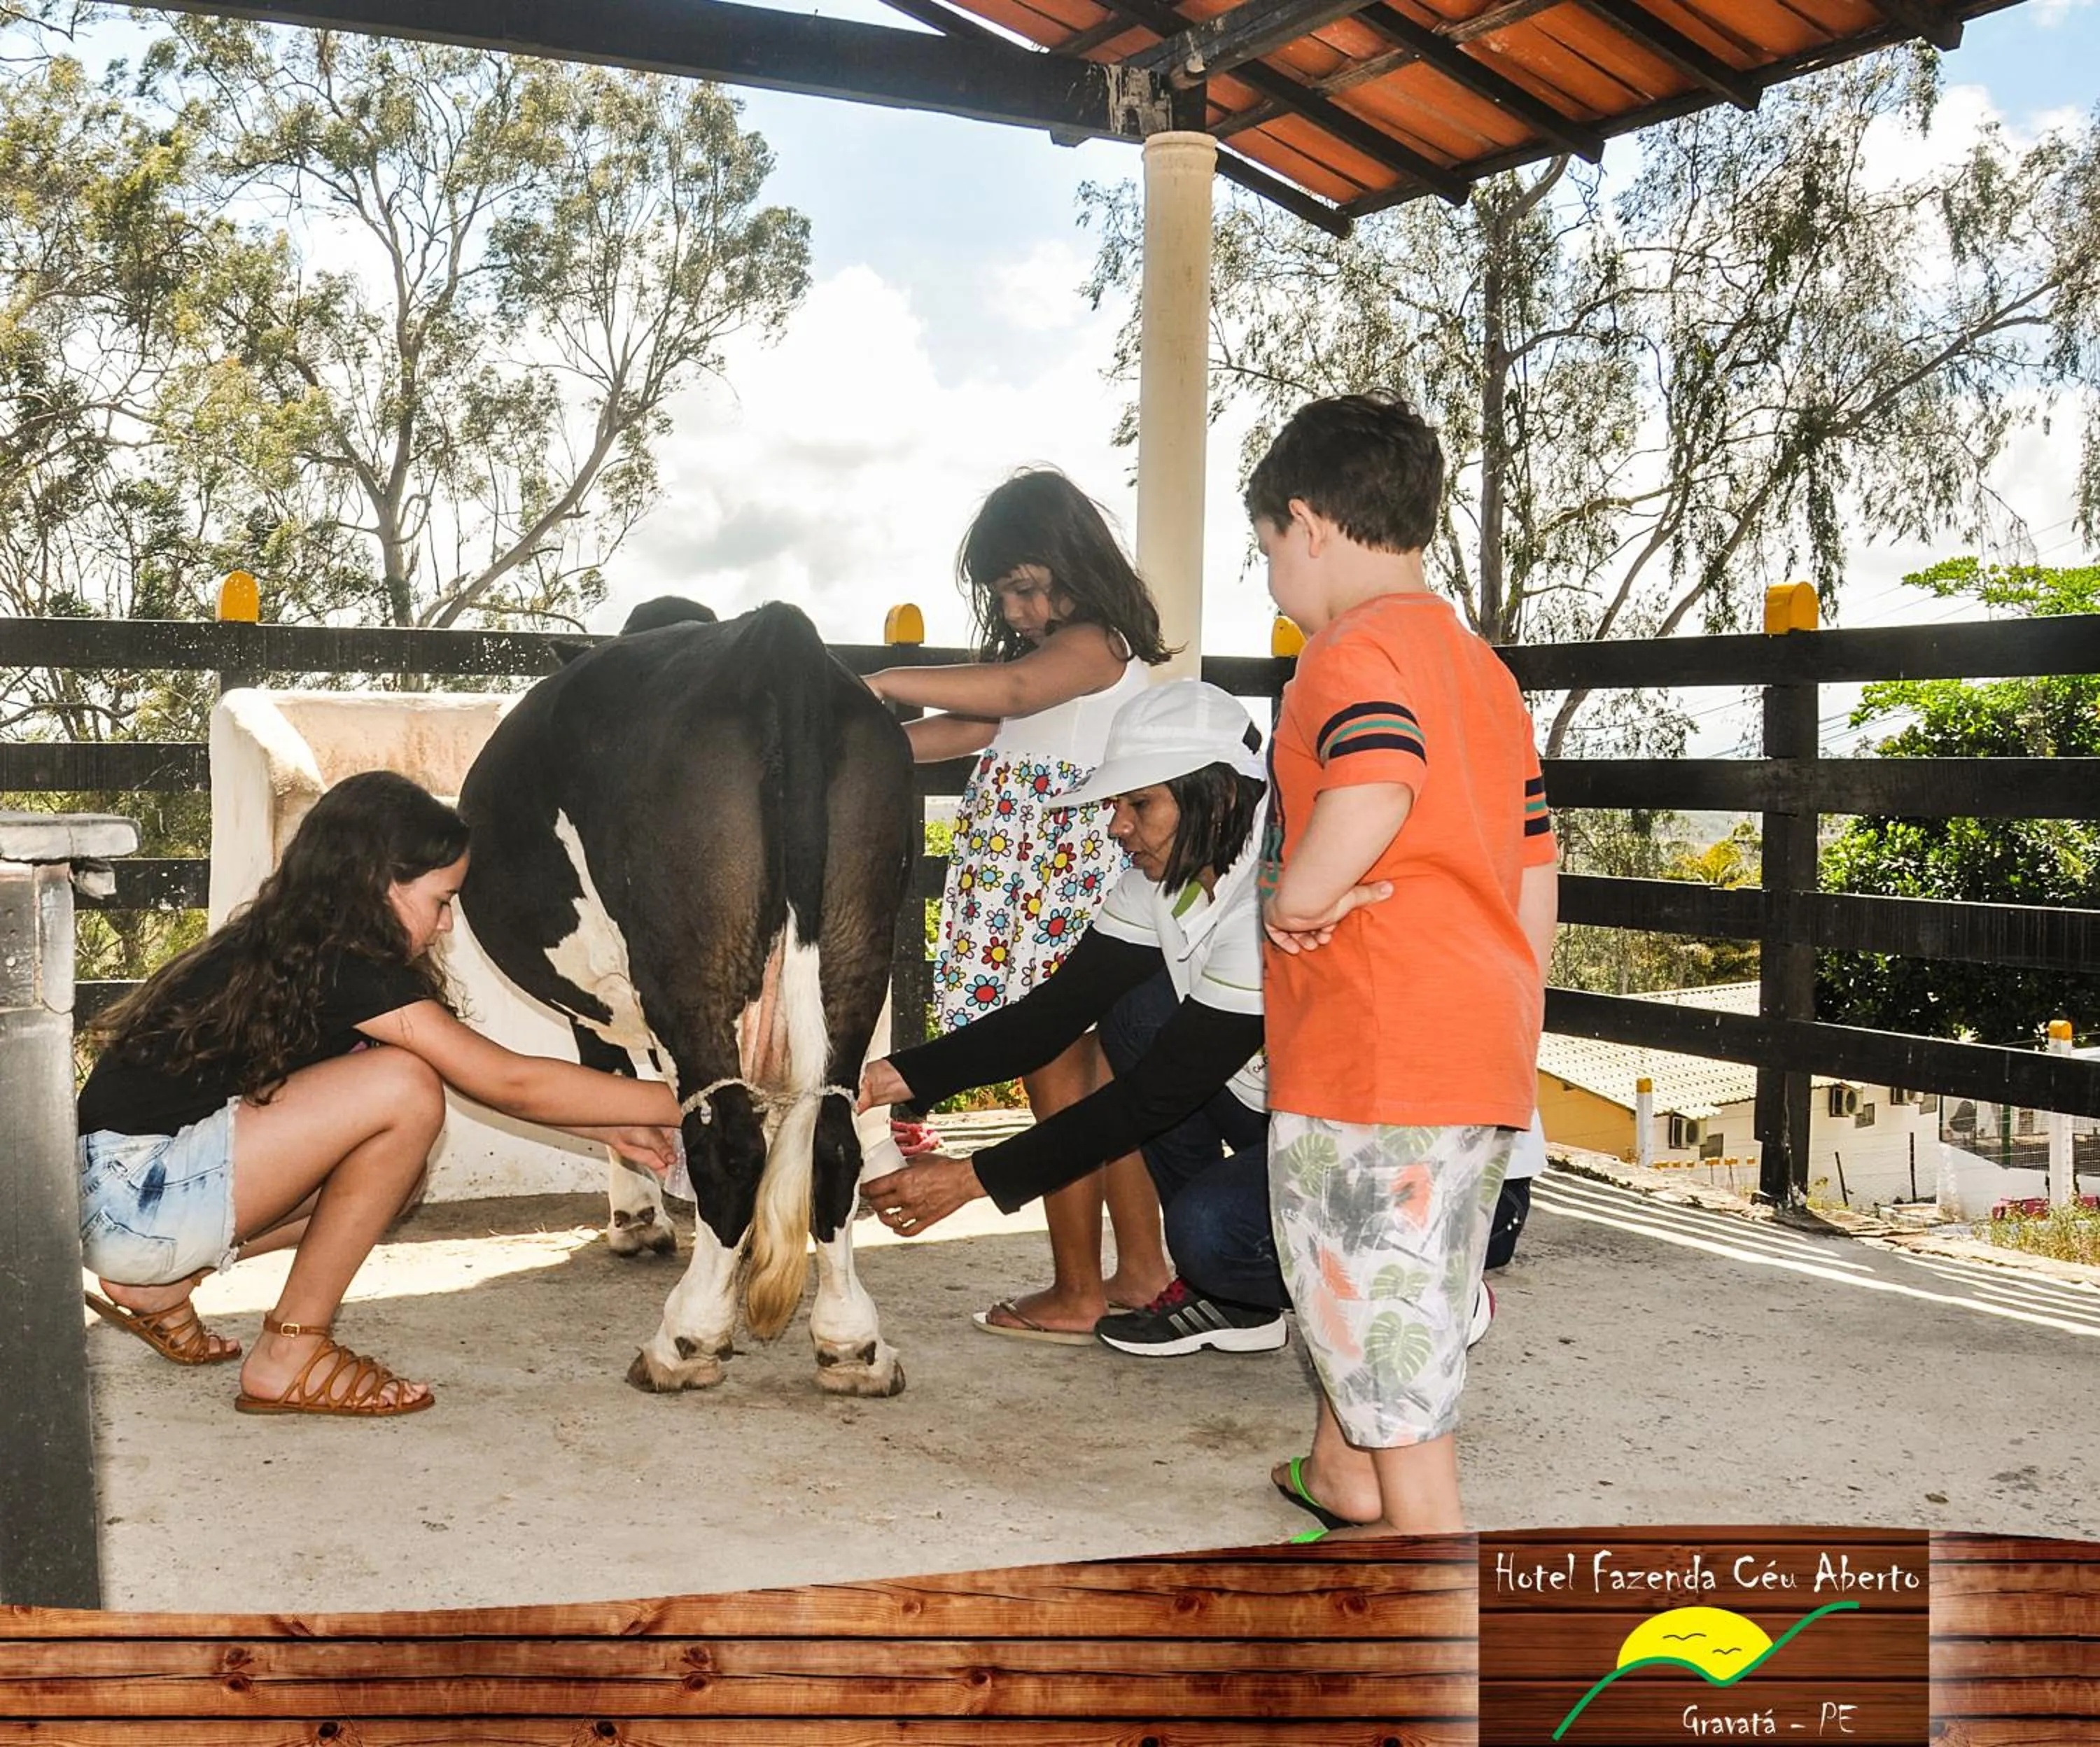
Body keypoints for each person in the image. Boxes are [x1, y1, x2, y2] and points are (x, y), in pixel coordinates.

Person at [75, 770, 682, 1419]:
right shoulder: (346, 968)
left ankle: (166, 1285)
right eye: (442, 900)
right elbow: (506, 1080)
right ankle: (291, 1352)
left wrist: (602, 1126)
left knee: (394, 1177)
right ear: (378, 886)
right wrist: (699, 1098)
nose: (448, 925)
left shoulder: (298, 947)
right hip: (136, 1196)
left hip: (117, 1200)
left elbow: (479, 1075)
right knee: (404, 1088)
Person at [1249, 393, 1558, 1539]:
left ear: (1307, 525)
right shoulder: (1481, 668)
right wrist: (1508, 996)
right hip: (1476, 1044)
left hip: (1369, 1055)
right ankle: (1347, 1477)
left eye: (1268, 553)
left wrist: (1299, 896)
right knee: (1408, 1293)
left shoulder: (1348, 650)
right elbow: (1535, 867)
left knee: (1381, 1325)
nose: (1274, 581)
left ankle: (1435, 1588)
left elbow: (1377, 777)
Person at [856, 681, 1287, 1354]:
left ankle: (1422, 1278)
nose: (1117, 827)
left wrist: (970, 1180)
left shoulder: (1267, 904)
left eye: (1139, 803)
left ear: (1223, 794)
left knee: (1210, 1234)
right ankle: (1236, 1298)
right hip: (1272, 1104)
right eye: (1118, 804)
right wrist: (880, 1081)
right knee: (1134, 1014)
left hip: (1364, 1146)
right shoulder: (1163, 874)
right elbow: (1051, 1018)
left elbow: (1152, 1099)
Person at [862, 468, 1175, 1340]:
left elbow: (1010, 697)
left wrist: (884, 680)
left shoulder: (1096, 646)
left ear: (1077, 565)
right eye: (1003, 593)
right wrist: (864, 744)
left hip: (1052, 887)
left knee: (1061, 1092)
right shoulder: (1056, 658)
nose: (1013, 610)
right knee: (1098, 1088)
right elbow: (975, 727)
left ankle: (1076, 1289)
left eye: (1026, 587)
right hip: (1035, 885)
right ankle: (1142, 1272)